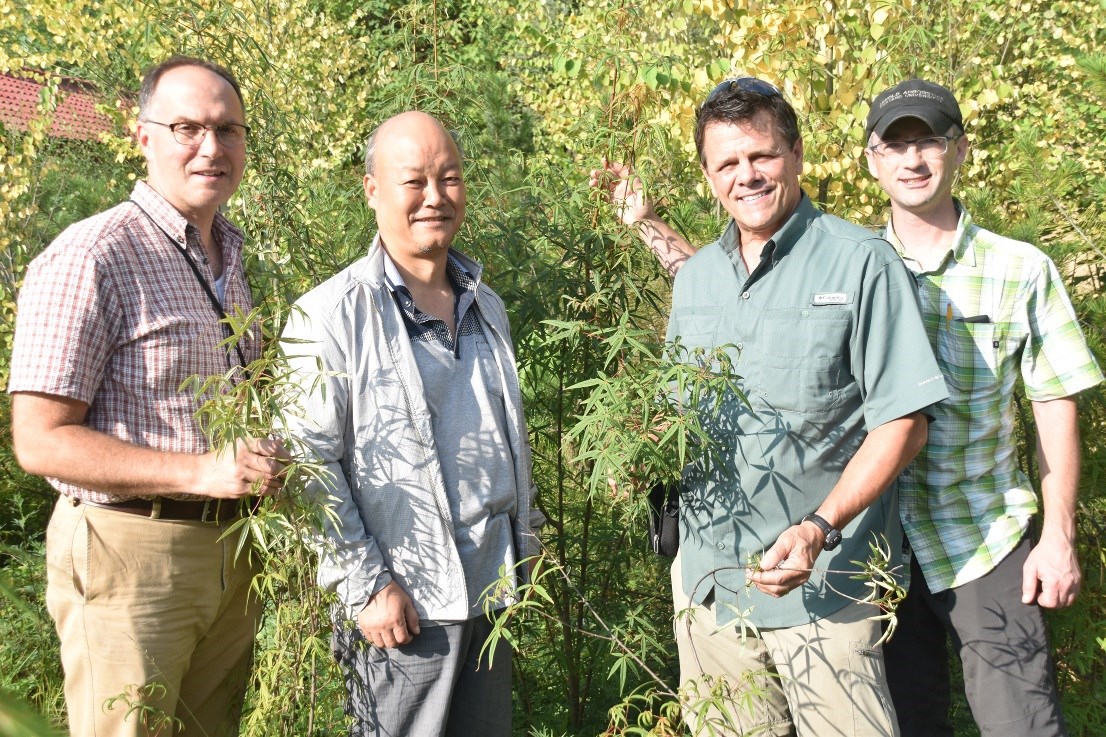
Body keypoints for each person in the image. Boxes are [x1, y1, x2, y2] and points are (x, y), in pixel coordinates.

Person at [592, 78, 948, 736]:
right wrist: (635, 449)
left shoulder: (860, 264)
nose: (747, 175)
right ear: (707, 175)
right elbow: (681, 414)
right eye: (727, 163)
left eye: (762, 156)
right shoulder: (698, 280)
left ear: (797, 154)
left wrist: (818, 526)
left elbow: (904, 424)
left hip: (827, 593)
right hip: (708, 588)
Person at [8, 56, 288, 736]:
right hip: (130, 549)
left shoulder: (233, 255)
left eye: (228, 130)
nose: (211, 148)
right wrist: (202, 469)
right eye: (187, 127)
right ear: (143, 137)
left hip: (226, 550)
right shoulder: (94, 255)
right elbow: (38, 439)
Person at [281, 110, 544, 737]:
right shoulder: (329, 316)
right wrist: (365, 585)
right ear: (372, 190)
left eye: (449, 178)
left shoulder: (486, 304)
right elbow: (307, 461)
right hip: (403, 605)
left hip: (491, 592)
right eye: (414, 181)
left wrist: (527, 544)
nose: (434, 197)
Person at [862, 78, 1104, 737]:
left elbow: (1054, 406)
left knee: (1023, 724)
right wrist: (652, 227)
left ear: (959, 150)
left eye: (930, 142)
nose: (913, 160)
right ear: (871, 160)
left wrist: (1057, 538)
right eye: (895, 144)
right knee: (902, 725)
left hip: (985, 536)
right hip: (876, 544)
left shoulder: (1021, 268)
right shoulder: (850, 265)